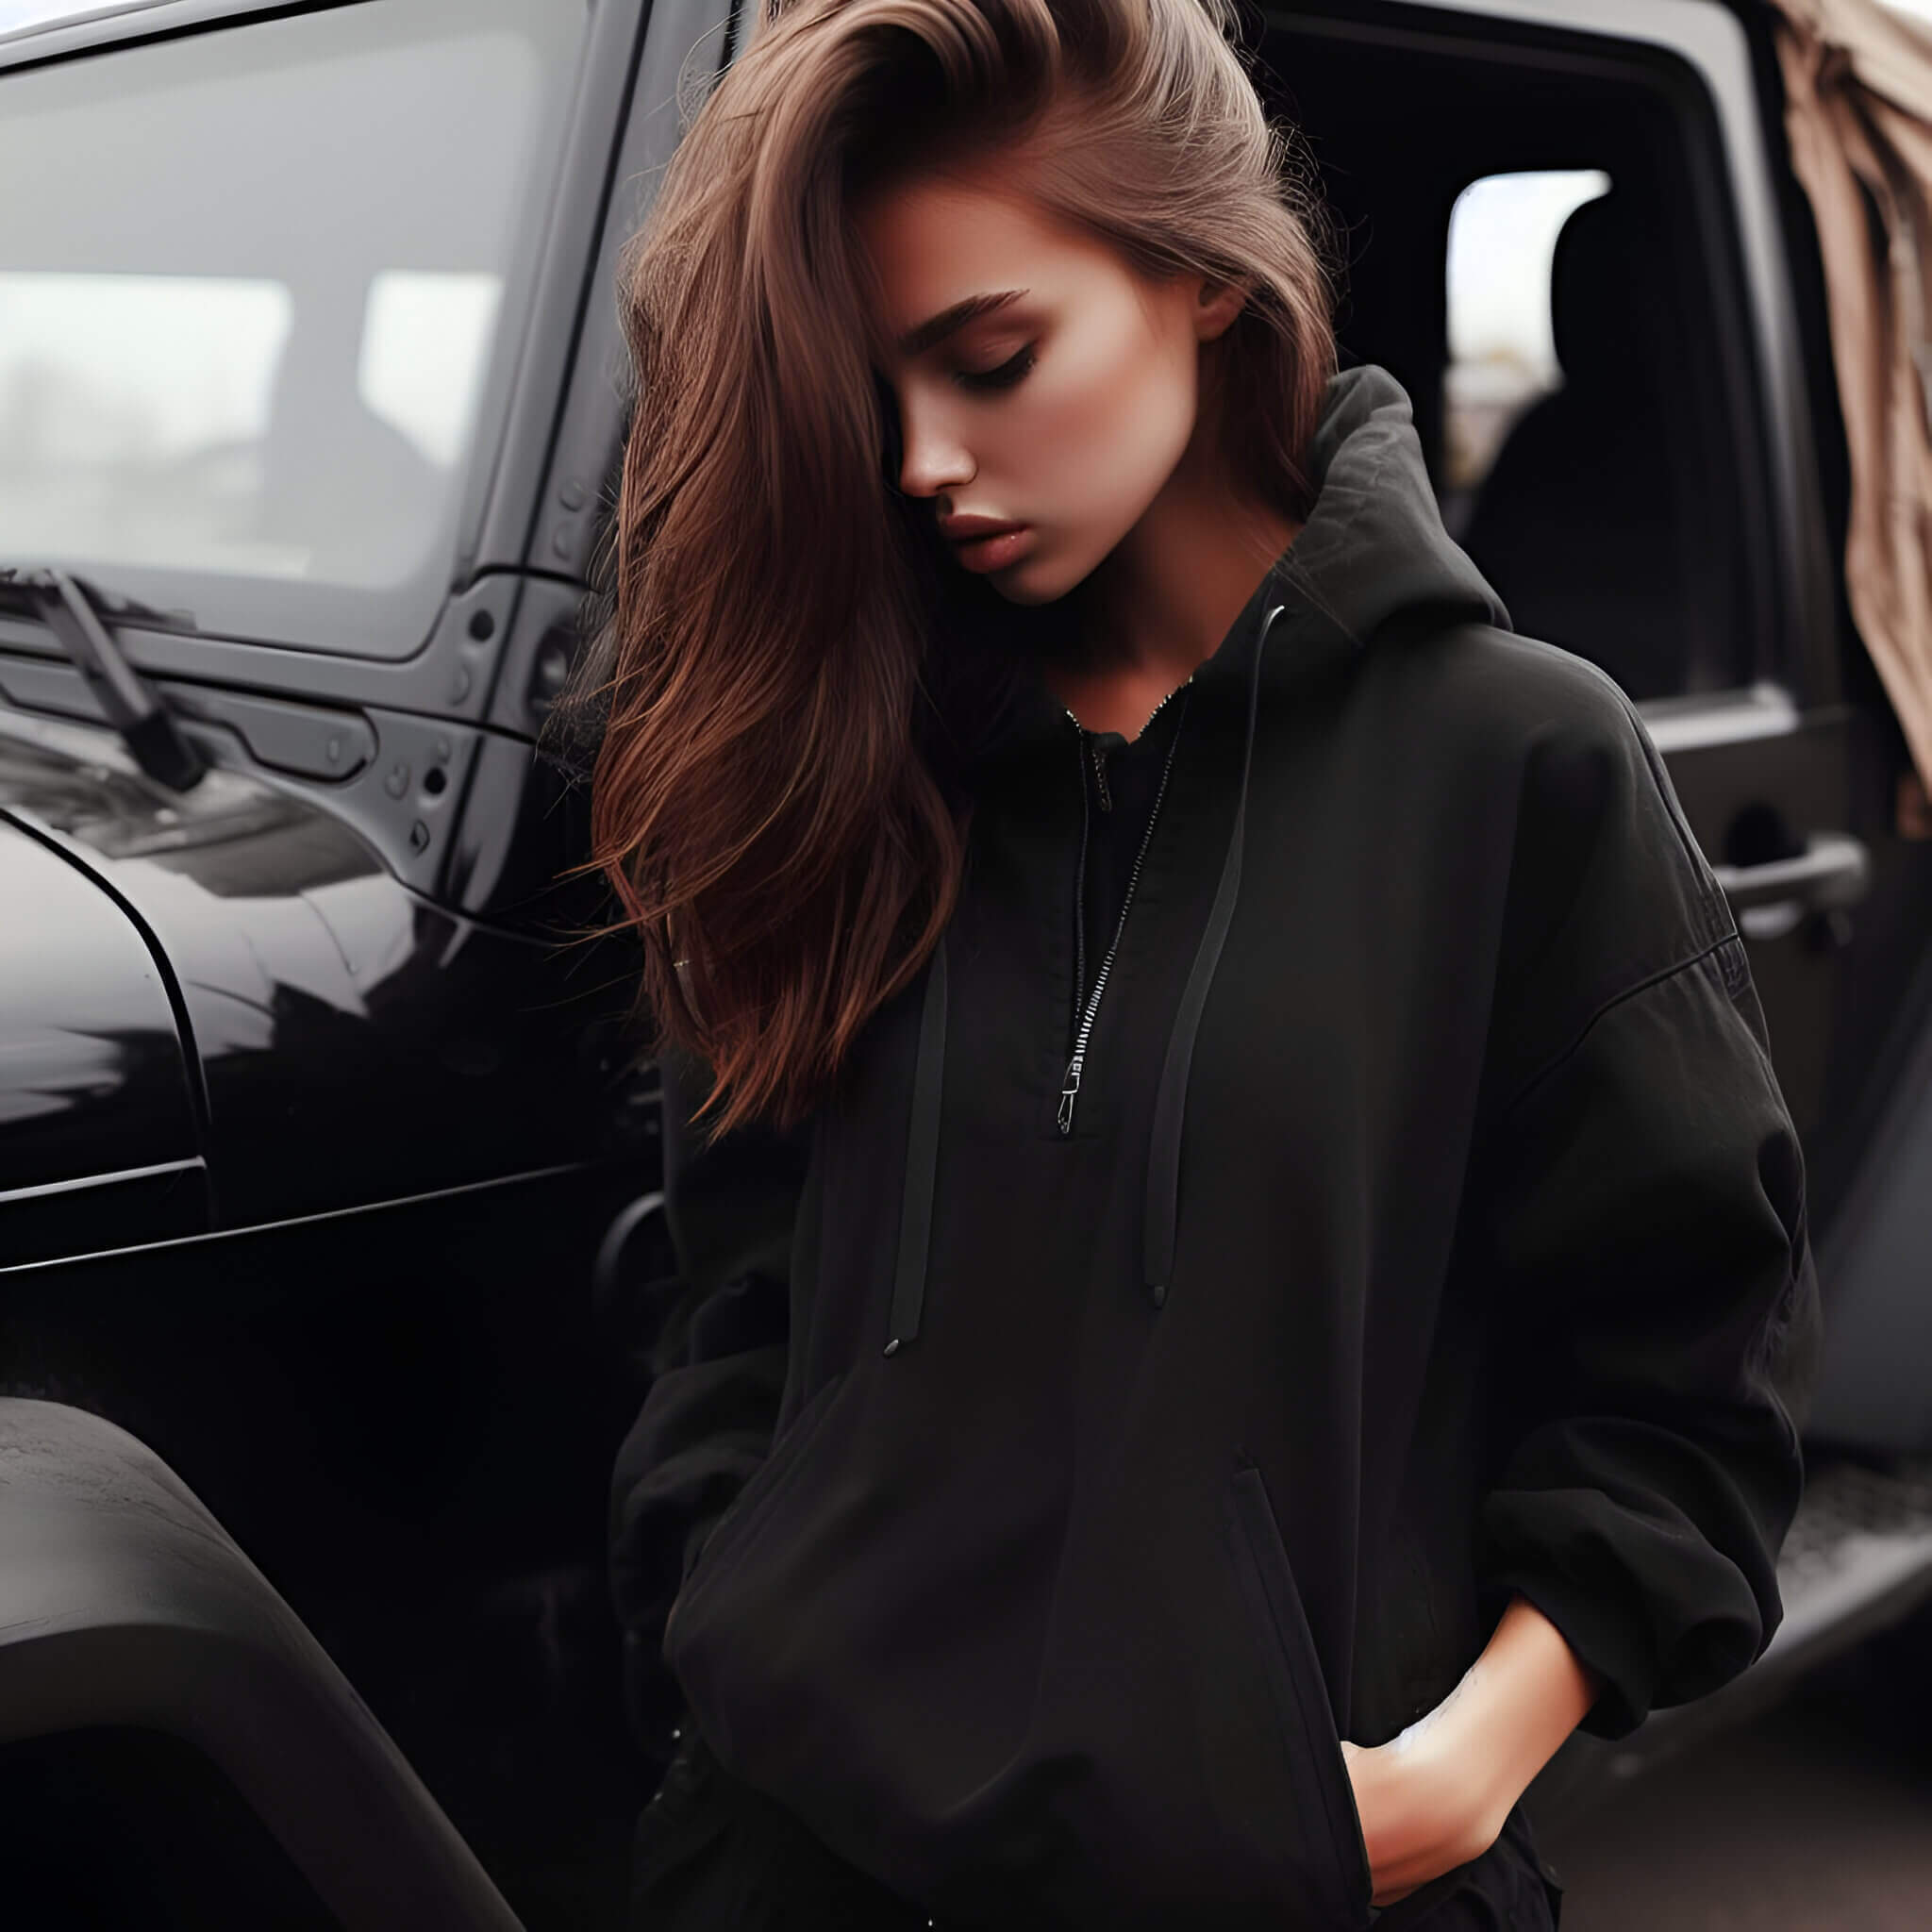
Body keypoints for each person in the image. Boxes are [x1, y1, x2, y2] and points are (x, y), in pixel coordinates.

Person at [560, 1, 1824, 1924]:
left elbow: (1685, 1388)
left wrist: (1436, 1787)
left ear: (1205, 281)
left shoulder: (1515, 763)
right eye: (874, 388)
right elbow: (728, 1299)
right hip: (785, 1869)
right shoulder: (844, 750)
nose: (922, 459)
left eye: (991, 359)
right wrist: (728, 1638)